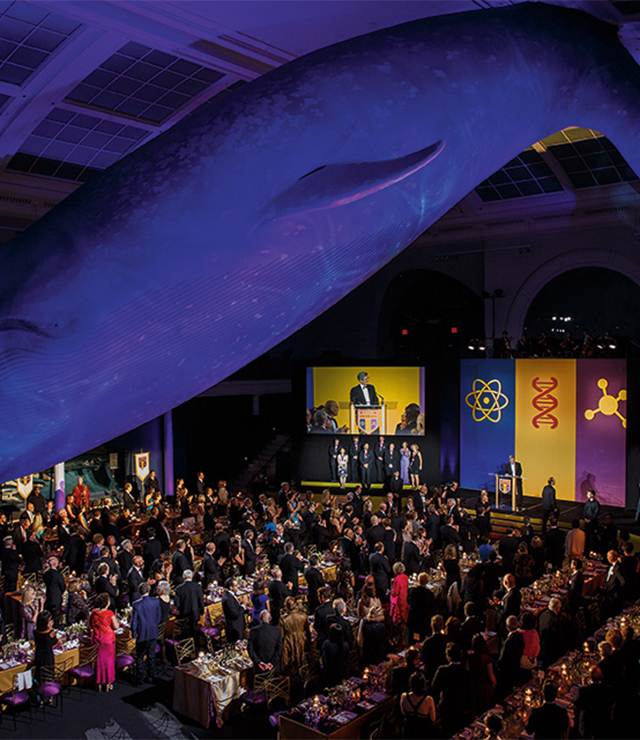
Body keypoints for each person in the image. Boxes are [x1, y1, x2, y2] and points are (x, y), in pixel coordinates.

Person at [432, 642, 473, 736]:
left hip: (446, 706)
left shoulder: (442, 670)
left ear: (448, 656)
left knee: (446, 732)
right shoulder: (466, 673)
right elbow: (470, 693)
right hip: (460, 707)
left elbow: (435, 687)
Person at [573, 665, 614, 740]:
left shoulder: (583, 691)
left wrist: (584, 686)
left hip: (587, 726)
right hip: (603, 724)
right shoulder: (609, 691)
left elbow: (576, 702)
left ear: (589, 677)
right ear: (602, 677)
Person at [131, 582, 161, 684]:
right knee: (151, 655)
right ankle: (150, 676)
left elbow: (134, 621)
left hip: (142, 633)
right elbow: (158, 616)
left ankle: (140, 678)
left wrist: (134, 634)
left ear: (140, 592)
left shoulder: (137, 604)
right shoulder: (155, 601)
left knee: (140, 656)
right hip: (153, 631)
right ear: (148, 590)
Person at [90, 592, 119, 691]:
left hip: (98, 640)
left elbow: (90, 626)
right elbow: (116, 626)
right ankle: (108, 682)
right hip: (107, 640)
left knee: (99, 662)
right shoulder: (109, 613)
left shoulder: (94, 613)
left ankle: (98, 682)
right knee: (109, 662)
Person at [399, 671, 436, 740]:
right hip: (423, 731)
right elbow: (433, 719)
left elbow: (404, 713)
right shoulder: (428, 700)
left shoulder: (404, 697)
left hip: (409, 729)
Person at [279, 596, 310, 676]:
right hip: (301, 638)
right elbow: (307, 631)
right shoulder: (303, 616)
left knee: (289, 662)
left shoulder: (283, 619)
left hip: (288, 640)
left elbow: (281, 635)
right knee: (301, 657)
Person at [468, 634, 496, 714]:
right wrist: (494, 683)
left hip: (475, 686)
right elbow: (491, 676)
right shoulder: (487, 659)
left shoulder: (470, 657)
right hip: (485, 687)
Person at [248, 609, 282, 674]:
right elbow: (279, 650)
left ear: (259, 619)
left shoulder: (253, 631)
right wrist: (272, 663)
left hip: (259, 668)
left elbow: (250, 649)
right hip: (273, 668)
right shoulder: (277, 631)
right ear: (270, 619)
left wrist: (258, 662)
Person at [174, 569, 204, 637]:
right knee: (194, 630)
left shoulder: (179, 589)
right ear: (192, 576)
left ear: (183, 577)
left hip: (184, 615)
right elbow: (201, 601)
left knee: (185, 633)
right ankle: (195, 646)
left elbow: (177, 604)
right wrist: (202, 612)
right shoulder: (198, 587)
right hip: (195, 613)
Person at [33, 611, 58, 684]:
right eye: (50, 620)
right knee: (48, 674)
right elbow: (54, 642)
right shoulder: (49, 634)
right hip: (47, 657)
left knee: (39, 673)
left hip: (38, 655)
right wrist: (51, 628)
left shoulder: (36, 632)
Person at [322, 623, 349, 687]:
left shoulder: (326, 644)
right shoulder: (346, 645)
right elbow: (347, 659)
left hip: (329, 673)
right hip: (342, 672)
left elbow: (324, 659)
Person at [221, 577, 248, 643]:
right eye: (236, 585)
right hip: (234, 628)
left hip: (237, 626)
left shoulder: (230, 595)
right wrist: (243, 605)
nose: (238, 586)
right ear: (231, 587)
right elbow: (235, 614)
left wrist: (240, 604)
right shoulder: (228, 599)